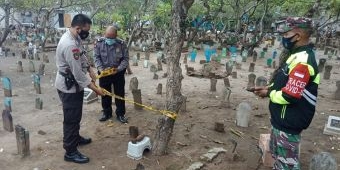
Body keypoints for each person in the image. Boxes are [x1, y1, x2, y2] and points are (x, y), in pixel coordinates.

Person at [253, 17, 319, 170]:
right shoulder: (295, 55)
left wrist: (268, 94)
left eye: (286, 34)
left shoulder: (303, 61)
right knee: (279, 158)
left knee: (287, 165)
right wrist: (268, 89)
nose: (283, 37)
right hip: (282, 121)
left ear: (298, 35)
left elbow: (290, 95)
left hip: (289, 123)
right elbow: (285, 84)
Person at [55, 14, 105, 164]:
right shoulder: (69, 44)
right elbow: (78, 75)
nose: (87, 33)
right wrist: (96, 90)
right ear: (78, 28)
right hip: (69, 87)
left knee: (76, 116)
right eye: (86, 30)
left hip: (74, 84)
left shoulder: (75, 37)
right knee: (71, 119)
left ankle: (75, 138)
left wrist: (89, 68)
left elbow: (81, 54)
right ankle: (70, 151)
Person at [94, 26, 129, 123]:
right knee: (104, 93)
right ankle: (106, 113)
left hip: (117, 72)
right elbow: (96, 57)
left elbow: (125, 59)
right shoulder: (99, 43)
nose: (109, 39)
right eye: (107, 36)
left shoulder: (121, 44)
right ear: (105, 34)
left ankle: (120, 114)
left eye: (111, 37)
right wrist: (101, 69)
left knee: (119, 93)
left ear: (116, 36)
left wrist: (118, 69)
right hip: (104, 73)